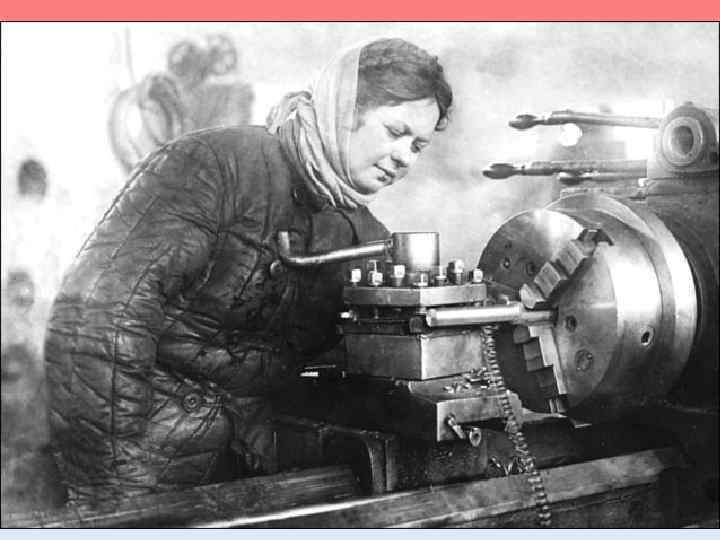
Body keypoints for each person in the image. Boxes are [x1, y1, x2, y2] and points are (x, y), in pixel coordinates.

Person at [45, 37, 453, 505]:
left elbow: (351, 369)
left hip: (251, 476)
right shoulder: (214, 168)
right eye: (395, 131)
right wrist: (116, 494)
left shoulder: (362, 236)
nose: (405, 157)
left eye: (418, 145)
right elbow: (97, 323)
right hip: (138, 472)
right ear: (345, 109)